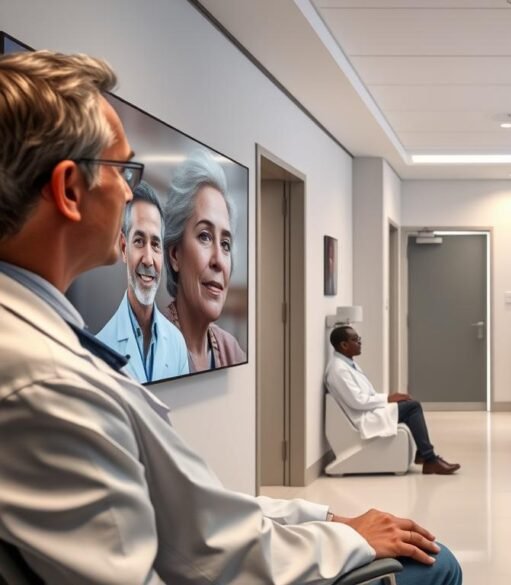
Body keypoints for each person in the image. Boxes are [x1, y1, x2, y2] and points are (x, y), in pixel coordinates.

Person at [0, 50, 461, 584]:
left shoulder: (52, 343)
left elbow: (197, 517)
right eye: (123, 170)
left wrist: (327, 518)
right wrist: (343, 538)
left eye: (227, 241)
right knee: (435, 564)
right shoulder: (47, 382)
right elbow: (195, 550)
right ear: (68, 190)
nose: (130, 192)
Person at [326, 326, 460, 475]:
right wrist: (388, 398)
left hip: (369, 411)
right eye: (355, 340)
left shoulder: (349, 364)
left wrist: (388, 399)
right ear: (344, 345)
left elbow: (364, 396)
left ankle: (426, 455)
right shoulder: (339, 370)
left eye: (359, 339)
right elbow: (358, 401)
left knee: (408, 404)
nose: (359, 342)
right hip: (363, 417)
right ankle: (429, 459)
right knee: (412, 407)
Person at [96, 181, 189, 383]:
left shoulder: (177, 344)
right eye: (139, 241)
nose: (148, 259)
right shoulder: (98, 351)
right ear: (123, 248)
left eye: (155, 244)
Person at [164, 149, 246, 372]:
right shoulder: (148, 351)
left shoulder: (232, 351)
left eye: (226, 244)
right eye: (204, 236)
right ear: (175, 255)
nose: (219, 260)